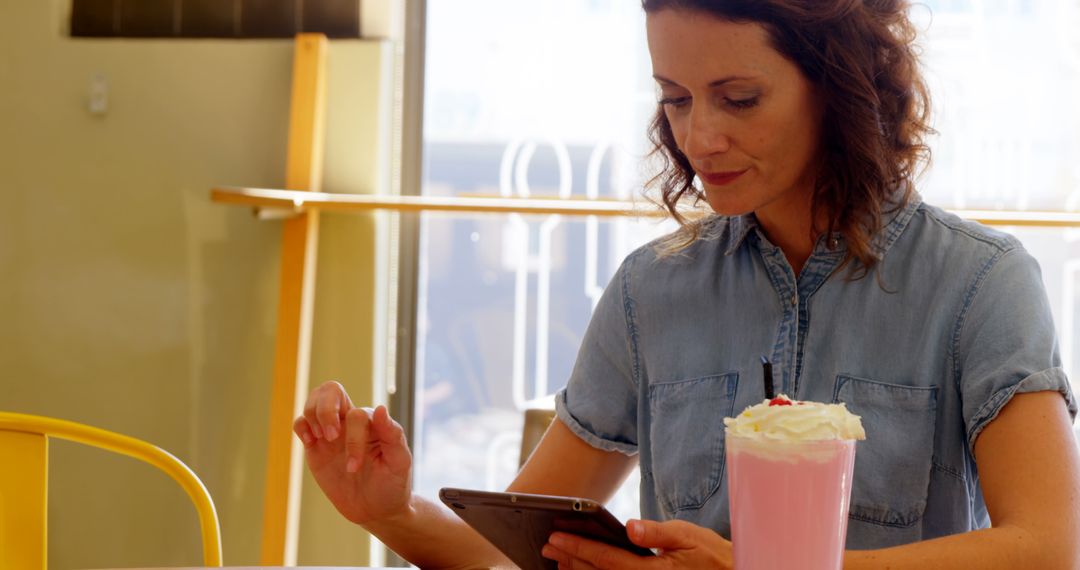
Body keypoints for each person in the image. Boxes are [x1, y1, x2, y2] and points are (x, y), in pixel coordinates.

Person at [294, 1, 1080, 568]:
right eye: (674, 98)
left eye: (739, 98)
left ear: (841, 88)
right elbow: (515, 554)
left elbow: (1048, 549)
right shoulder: (651, 292)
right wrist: (389, 511)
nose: (699, 137)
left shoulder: (981, 283)